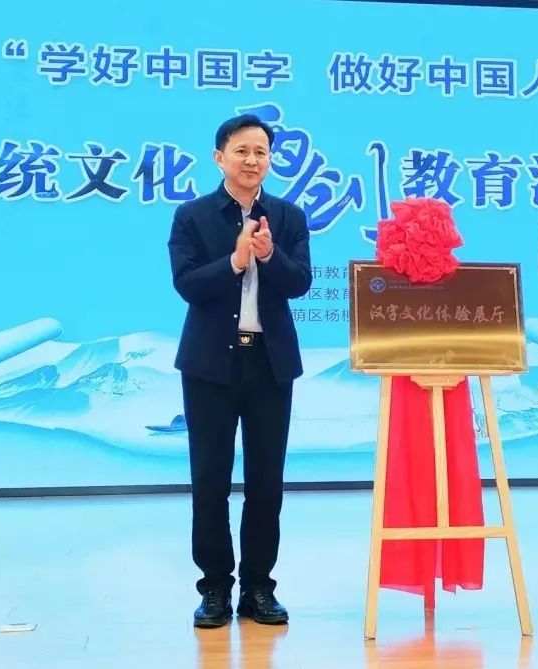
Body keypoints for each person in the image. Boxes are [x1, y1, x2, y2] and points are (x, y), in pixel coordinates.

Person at [168, 113, 311, 628]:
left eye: (261, 152)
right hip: (209, 365)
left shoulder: (288, 216)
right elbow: (186, 283)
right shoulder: (192, 216)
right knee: (210, 479)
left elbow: (300, 283)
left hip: (270, 364)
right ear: (219, 157)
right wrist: (233, 261)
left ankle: (258, 587)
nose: (253, 160)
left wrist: (269, 257)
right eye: (242, 151)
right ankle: (214, 589)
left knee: (266, 482)